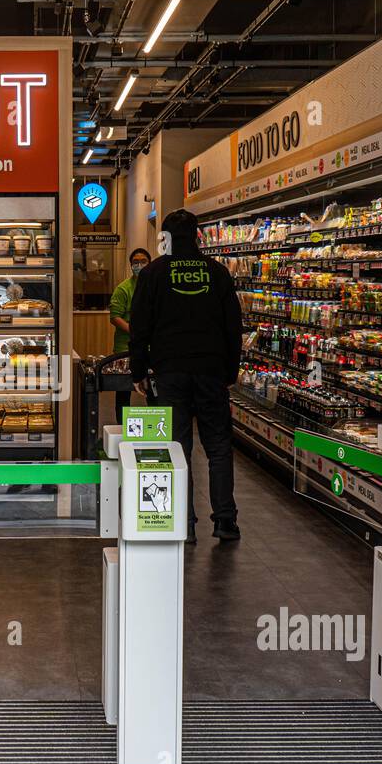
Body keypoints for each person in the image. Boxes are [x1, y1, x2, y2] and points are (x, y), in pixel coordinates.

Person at [129, 209, 243, 544]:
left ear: (165, 237)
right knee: (219, 446)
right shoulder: (217, 272)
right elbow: (233, 327)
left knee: (177, 447)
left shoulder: (153, 273)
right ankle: (225, 521)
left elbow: (139, 327)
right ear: (197, 235)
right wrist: (230, 371)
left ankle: (184, 522)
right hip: (211, 371)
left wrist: (139, 370)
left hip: (170, 372)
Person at [108, 248, 151, 423]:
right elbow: (115, 317)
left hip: (151, 347)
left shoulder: (156, 285)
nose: (139, 265)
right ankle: (122, 426)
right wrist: (135, 332)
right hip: (125, 348)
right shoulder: (123, 288)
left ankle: (155, 427)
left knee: (153, 389)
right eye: (135, 262)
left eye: (143, 262)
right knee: (124, 390)